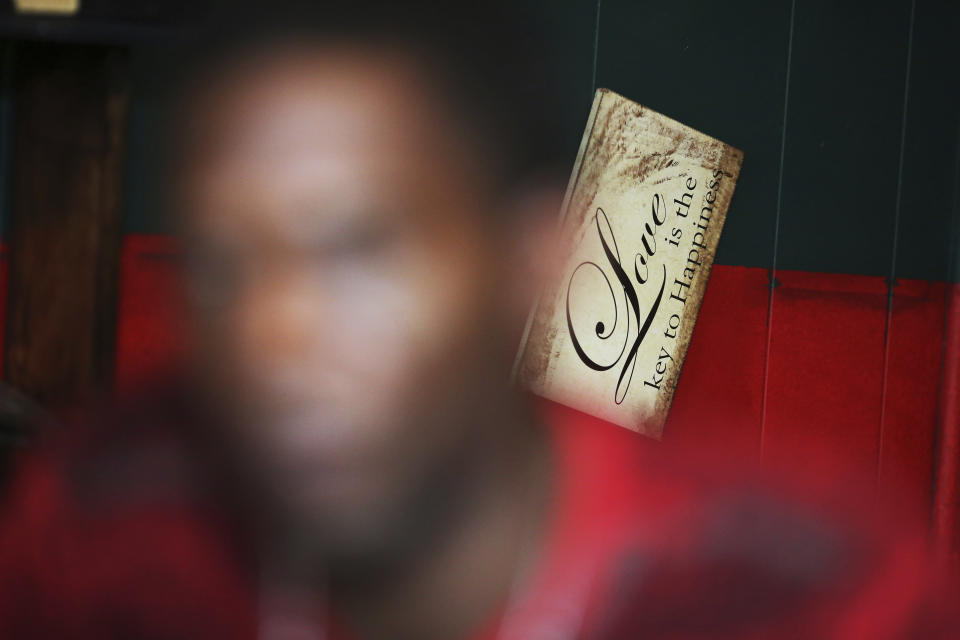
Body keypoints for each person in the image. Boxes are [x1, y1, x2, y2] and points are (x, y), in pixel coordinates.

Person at [0, 3, 953, 638]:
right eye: (220, 265)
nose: (273, 341)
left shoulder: (802, 600)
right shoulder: (99, 528)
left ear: (531, 257)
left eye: (361, 251)